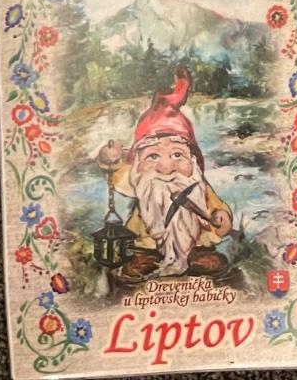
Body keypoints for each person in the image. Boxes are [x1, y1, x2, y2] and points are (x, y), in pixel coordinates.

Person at [93, 67, 235, 281]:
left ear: (193, 160)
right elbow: (115, 172)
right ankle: (148, 255)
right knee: (139, 256)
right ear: (138, 163)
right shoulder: (141, 181)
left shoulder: (197, 186)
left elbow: (216, 207)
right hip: (146, 241)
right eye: (153, 156)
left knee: (208, 258)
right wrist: (110, 158)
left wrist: (221, 215)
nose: (166, 168)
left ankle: (195, 254)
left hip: (197, 239)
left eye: (177, 155)